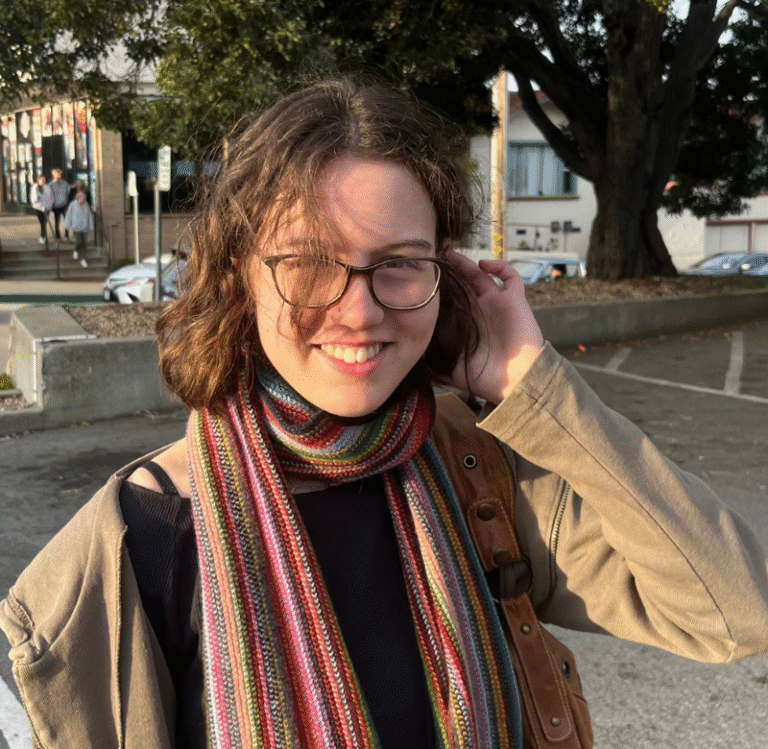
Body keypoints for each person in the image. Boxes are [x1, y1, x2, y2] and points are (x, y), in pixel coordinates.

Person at [1, 78, 766, 749]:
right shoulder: (141, 540)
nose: (359, 311)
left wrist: (535, 387)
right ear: (241, 275)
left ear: (447, 276)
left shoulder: (480, 475)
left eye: (399, 264)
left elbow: (733, 612)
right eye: (309, 262)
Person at [63, 189, 94, 267]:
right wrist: (67, 225)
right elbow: (68, 215)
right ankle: (76, 251)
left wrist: (91, 225)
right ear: (78, 198)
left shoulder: (86, 205)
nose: (83, 200)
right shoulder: (72, 205)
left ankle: (83, 260)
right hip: (76, 227)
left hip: (84, 227)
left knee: (84, 244)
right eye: (82, 199)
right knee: (79, 242)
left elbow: (89, 216)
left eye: (84, 199)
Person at [48, 167, 71, 242]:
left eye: (60, 174)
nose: (59, 176)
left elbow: (69, 192)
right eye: (57, 174)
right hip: (56, 206)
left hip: (64, 204)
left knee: (67, 221)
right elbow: (49, 195)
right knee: (57, 222)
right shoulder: (51, 184)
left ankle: (66, 236)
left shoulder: (65, 183)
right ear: (53, 175)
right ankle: (58, 237)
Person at [29, 174, 53, 245]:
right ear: (38, 180)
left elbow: (50, 197)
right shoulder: (35, 188)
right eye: (42, 180)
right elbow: (34, 199)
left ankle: (44, 236)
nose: (43, 181)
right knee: (42, 223)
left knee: (45, 222)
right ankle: (43, 237)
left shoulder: (47, 187)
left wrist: (49, 205)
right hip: (38, 208)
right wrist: (38, 199)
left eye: (44, 180)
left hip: (47, 208)